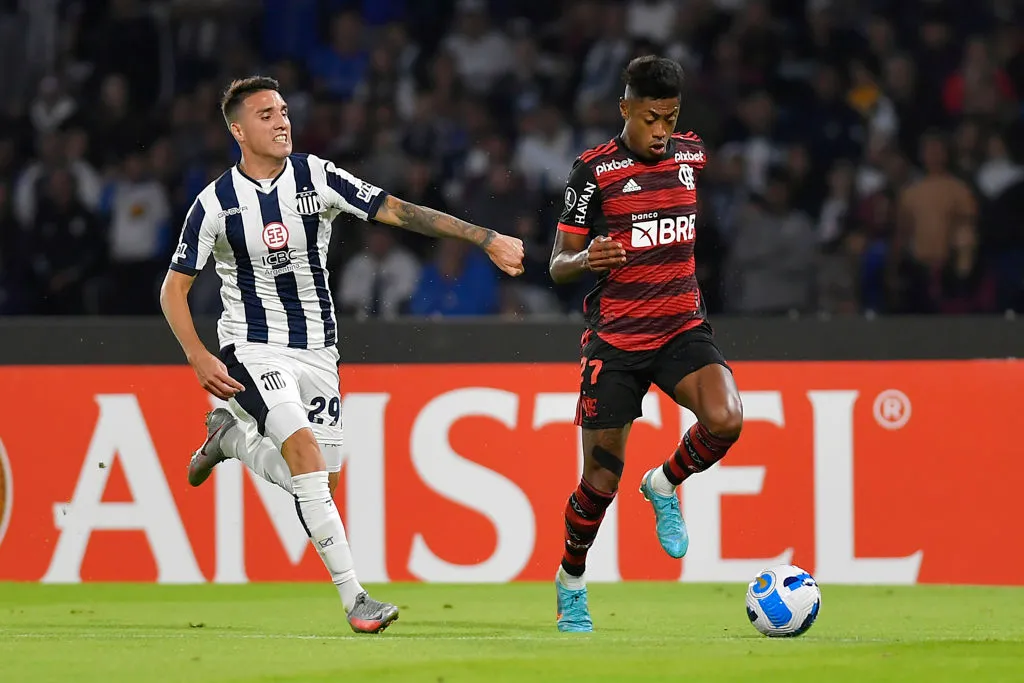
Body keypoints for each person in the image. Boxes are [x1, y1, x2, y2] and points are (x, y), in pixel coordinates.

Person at [160, 76, 524, 634]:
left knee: (320, 485)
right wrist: (198, 356)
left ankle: (230, 438)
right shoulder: (215, 204)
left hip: (319, 352)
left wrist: (484, 237)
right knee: (304, 456)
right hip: (253, 347)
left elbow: (398, 211)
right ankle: (357, 599)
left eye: (283, 110)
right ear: (237, 130)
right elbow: (173, 289)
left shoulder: (317, 176)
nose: (281, 121)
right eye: (265, 115)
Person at [548, 56, 743, 633]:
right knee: (599, 485)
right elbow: (557, 263)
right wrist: (586, 258)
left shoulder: (690, 154)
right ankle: (571, 581)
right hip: (617, 341)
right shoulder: (593, 171)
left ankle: (663, 483)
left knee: (726, 419)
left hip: (682, 328)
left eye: (672, 117)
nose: (662, 131)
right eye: (652, 118)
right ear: (625, 109)